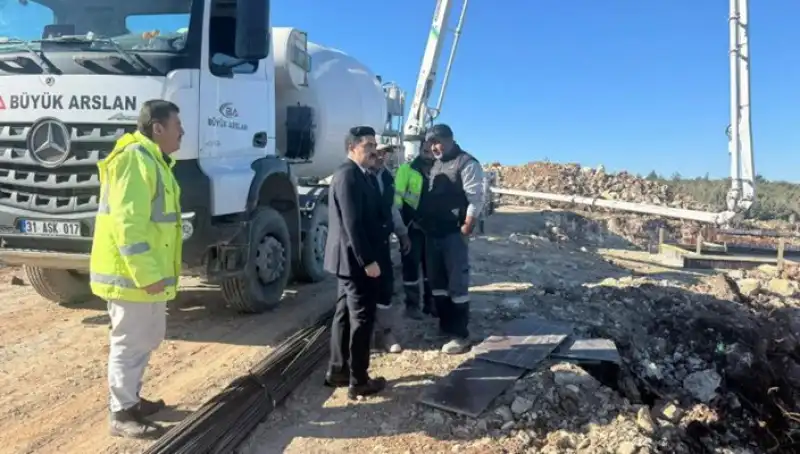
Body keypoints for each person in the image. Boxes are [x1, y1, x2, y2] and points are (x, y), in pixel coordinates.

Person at [90, 99, 184, 438]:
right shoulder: (134, 160)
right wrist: (147, 274)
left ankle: (132, 400)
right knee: (129, 343)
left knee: (145, 339)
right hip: (132, 277)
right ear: (157, 128)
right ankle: (121, 413)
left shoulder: (153, 160)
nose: (182, 132)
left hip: (145, 276)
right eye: (177, 125)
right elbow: (128, 225)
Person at [323, 126, 390, 399]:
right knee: (361, 319)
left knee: (343, 316)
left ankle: (338, 371)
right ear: (352, 148)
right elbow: (352, 224)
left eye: (374, 144)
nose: (373, 150)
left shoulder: (361, 175)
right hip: (355, 262)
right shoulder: (348, 176)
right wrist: (368, 261)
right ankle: (359, 380)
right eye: (368, 146)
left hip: (347, 262)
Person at [417, 124, 486, 354]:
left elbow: (475, 198)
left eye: (438, 142)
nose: (434, 147)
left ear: (449, 139)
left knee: (457, 283)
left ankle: (460, 335)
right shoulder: (437, 164)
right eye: (431, 143)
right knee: (437, 283)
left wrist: (467, 226)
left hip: (453, 234)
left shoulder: (467, 163)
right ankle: (445, 326)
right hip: (433, 233)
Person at [370, 143, 410, 354]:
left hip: (382, 243)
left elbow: (392, 208)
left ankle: (384, 333)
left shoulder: (386, 177)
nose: (382, 156)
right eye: (379, 152)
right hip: (362, 243)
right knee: (361, 291)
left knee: (385, 287)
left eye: (385, 153)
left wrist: (402, 232)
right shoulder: (357, 176)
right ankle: (361, 336)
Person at [394, 141, 435, 319]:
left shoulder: (441, 169)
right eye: (425, 150)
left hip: (433, 229)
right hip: (412, 227)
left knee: (431, 268)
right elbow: (397, 199)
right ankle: (412, 306)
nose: (428, 154)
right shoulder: (407, 169)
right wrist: (403, 227)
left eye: (431, 151)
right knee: (411, 266)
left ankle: (430, 304)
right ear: (420, 151)